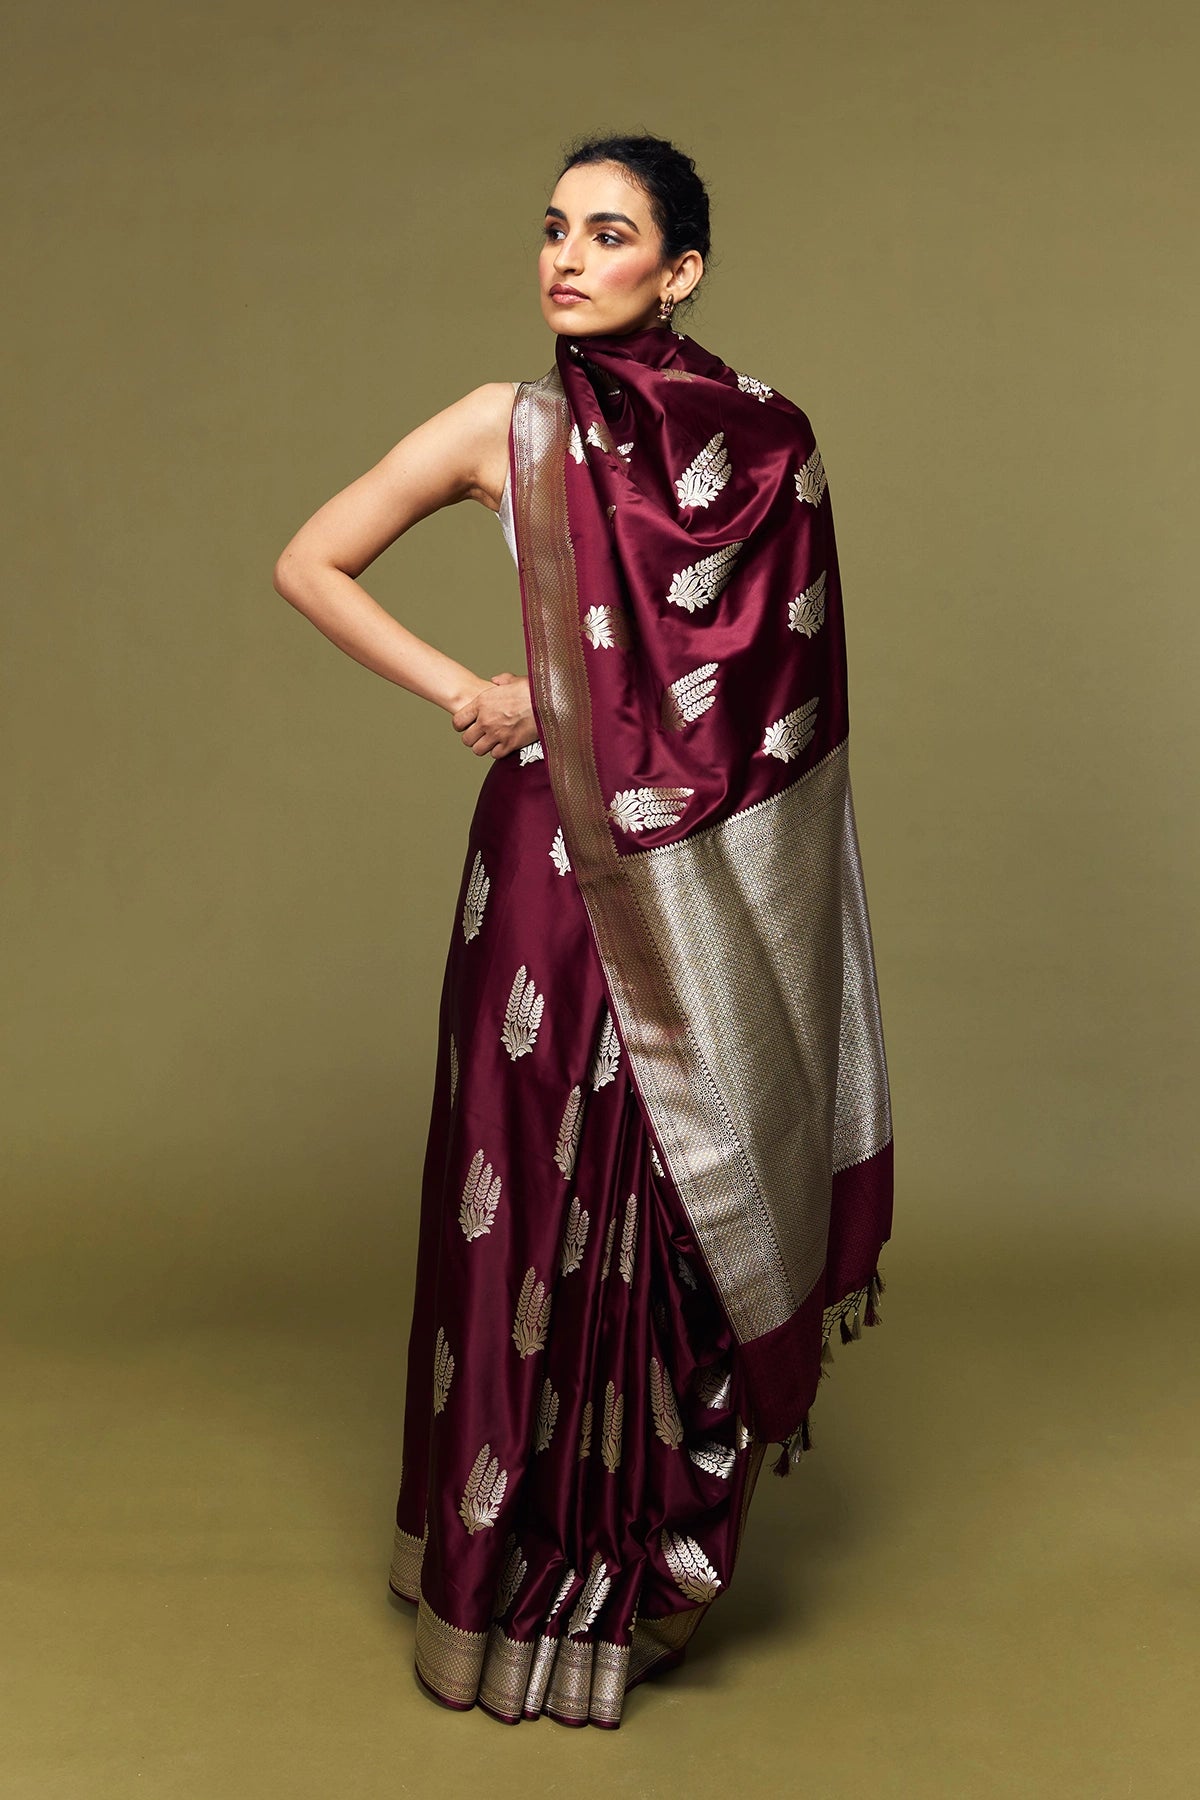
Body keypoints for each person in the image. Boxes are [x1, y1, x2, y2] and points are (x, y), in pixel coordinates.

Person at [272, 132, 894, 1730]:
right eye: (553, 227)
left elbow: (779, 721)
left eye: (607, 233)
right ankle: (508, 1574)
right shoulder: (508, 426)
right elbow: (310, 560)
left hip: (692, 891)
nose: (565, 255)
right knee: (532, 1211)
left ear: (677, 270)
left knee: (679, 1212)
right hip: (554, 879)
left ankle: (642, 1566)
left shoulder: (767, 451)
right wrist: (474, 695)